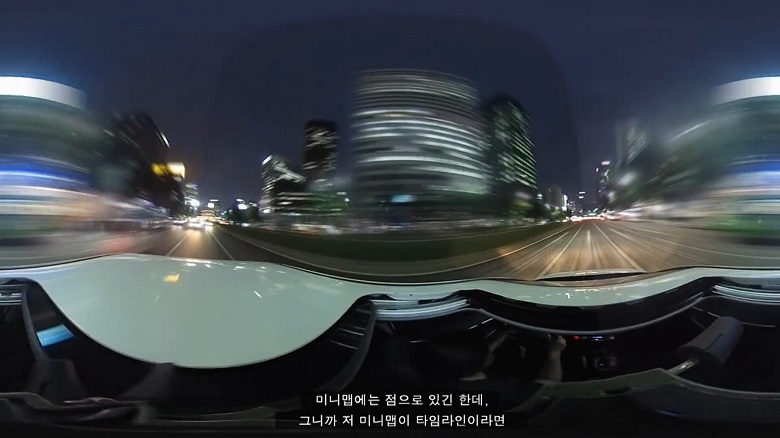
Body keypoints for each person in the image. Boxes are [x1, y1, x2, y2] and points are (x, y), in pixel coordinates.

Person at [410, 326, 567, 411]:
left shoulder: (425, 383)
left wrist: (489, 346)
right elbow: (549, 385)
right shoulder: (508, 393)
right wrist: (554, 354)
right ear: (488, 360)